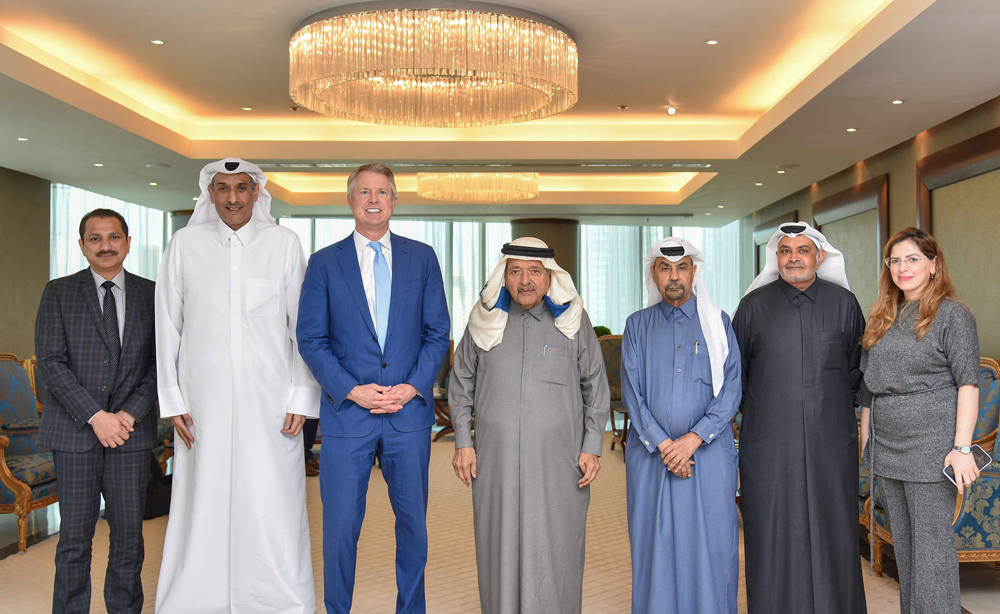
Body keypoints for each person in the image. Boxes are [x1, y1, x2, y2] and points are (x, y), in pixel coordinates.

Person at [154, 158, 320, 613]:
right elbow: (166, 325)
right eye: (223, 188)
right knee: (200, 498)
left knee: (272, 502)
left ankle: (275, 599)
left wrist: (302, 396)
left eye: (241, 188)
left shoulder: (283, 244)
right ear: (210, 194)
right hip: (199, 403)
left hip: (271, 403)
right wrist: (172, 400)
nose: (232, 197)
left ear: (256, 193)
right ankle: (195, 597)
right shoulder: (184, 245)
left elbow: (301, 329)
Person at [297, 163, 450, 614]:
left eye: (382, 191)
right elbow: (311, 338)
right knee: (341, 528)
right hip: (349, 418)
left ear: (394, 201)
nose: (373, 199)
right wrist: (351, 390)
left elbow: (437, 333)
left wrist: (413, 387)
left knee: (413, 527)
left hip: (408, 417)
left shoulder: (422, 258)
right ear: (350, 200)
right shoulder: (324, 263)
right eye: (364, 191)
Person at [448, 237, 609, 614]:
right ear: (503, 276)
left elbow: (596, 387)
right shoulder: (483, 320)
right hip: (495, 463)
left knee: (556, 547)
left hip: (559, 464)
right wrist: (462, 441)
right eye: (515, 271)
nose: (525, 281)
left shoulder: (574, 321)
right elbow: (460, 384)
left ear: (550, 277)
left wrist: (592, 445)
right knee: (497, 547)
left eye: (534, 272)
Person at [733, 222, 867, 614]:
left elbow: (858, 372)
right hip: (769, 446)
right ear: (777, 259)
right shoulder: (753, 307)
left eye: (803, 250)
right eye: (786, 251)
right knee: (772, 532)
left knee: (834, 531)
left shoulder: (845, 304)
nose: (794, 257)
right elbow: (734, 378)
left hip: (831, 446)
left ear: (819, 256)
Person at [35, 209, 158, 614]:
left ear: (126, 241)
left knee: (128, 539)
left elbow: (162, 364)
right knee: (74, 540)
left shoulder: (152, 294)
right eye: (94, 238)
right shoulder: (59, 292)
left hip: (130, 435)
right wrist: (96, 417)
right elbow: (51, 362)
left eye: (113, 237)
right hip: (74, 434)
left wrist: (128, 415)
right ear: (82, 245)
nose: (105, 246)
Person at [858, 228, 979, 613]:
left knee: (932, 555)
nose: (902, 267)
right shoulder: (884, 314)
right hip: (887, 447)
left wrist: (961, 447)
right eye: (895, 260)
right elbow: (867, 388)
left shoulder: (951, 314)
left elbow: (968, 384)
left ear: (933, 265)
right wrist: (866, 442)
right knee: (907, 553)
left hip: (932, 449)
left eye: (913, 259)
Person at [621, 238, 741, 614]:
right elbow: (632, 393)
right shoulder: (636, 325)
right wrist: (664, 445)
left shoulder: (719, 323)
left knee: (711, 545)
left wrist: (691, 440)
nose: (674, 277)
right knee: (653, 546)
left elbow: (733, 388)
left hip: (709, 455)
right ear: (653, 275)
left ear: (694, 271)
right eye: (664, 268)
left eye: (682, 267)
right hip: (651, 456)